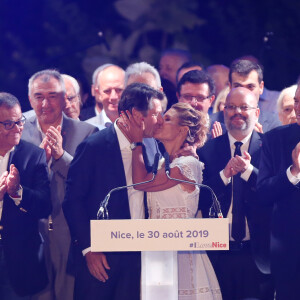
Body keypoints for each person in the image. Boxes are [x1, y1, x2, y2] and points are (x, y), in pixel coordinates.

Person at [63, 83, 164, 300]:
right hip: (102, 258)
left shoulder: (152, 145)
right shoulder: (94, 146)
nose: (160, 120)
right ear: (137, 115)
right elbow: (73, 201)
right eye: (156, 114)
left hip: (139, 256)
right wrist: (89, 249)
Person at [120, 102, 222, 299]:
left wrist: (137, 141)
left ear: (182, 130)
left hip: (181, 252)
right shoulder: (162, 163)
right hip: (157, 251)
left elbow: (140, 182)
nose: (159, 122)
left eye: (167, 119)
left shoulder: (188, 164)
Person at [22, 69, 98, 300]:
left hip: (70, 230)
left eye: (53, 96)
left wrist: (60, 156)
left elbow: (89, 183)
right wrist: (40, 162)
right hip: (30, 229)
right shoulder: (17, 130)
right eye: (39, 96)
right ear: (30, 98)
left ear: (65, 98)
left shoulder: (87, 132)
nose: (45, 103)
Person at [198, 87, 272, 300]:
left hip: (257, 255)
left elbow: (275, 192)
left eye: (243, 107)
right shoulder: (207, 150)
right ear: (224, 112)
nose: (236, 112)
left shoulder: (269, 148)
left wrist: (249, 172)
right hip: (218, 255)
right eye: (231, 107)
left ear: (257, 113)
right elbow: (199, 198)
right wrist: (224, 174)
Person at [0, 92, 51, 299]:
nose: (18, 128)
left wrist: (17, 192)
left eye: (19, 121)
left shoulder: (33, 155)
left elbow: (45, 206)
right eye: (8, 124)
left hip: (20, 258)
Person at [257, 83, 300, 300]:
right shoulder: (275, 139)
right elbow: (262, 194)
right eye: (297, 101)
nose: (297, 109)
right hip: (288, 253)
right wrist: (292, 172)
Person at [210, 58, 281, 134]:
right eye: (238, 86)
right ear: (230, 88)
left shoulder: (274, 125)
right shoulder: (211, 124)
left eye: (250, 87)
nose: (244, 93)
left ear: (261, 87)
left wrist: (261, 142)